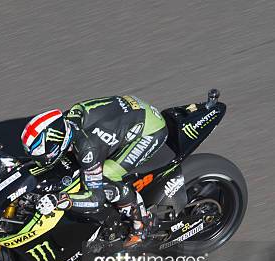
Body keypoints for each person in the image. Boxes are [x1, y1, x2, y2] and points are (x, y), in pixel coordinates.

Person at [20, 95, 168, 246]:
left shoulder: (87, 149)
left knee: (107, 176)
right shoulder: (71, 116)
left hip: (150, 130)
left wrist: (59, 199)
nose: (39, 159)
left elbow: (95, 200)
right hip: (133, 109)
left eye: (40, 154)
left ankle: (142, 224)